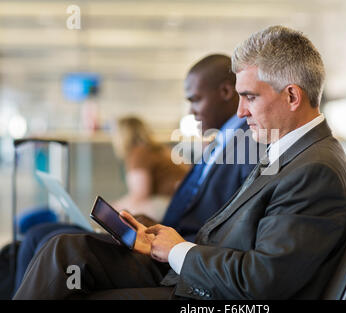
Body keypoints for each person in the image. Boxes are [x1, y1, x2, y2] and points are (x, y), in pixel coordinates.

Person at [14, 26, 346, 300]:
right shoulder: (290, 152)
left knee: (72, 271)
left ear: (291, 96)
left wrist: (179, 250)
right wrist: (166, 242)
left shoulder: (314, 169)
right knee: (66, 250)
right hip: (203, 273)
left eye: (250, 97)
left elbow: (262, 281)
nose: (241, 112)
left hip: (215, 292)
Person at [12, 54, 257, 297]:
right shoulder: (221, 143)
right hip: (170, 241)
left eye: (196, 100)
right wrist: (151, 226)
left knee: (61, 248)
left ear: (226, 92)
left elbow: (234, 226)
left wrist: (173, 243)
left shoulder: (248, 142)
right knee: (38, 241)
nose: (192, 111)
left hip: (184, 257)